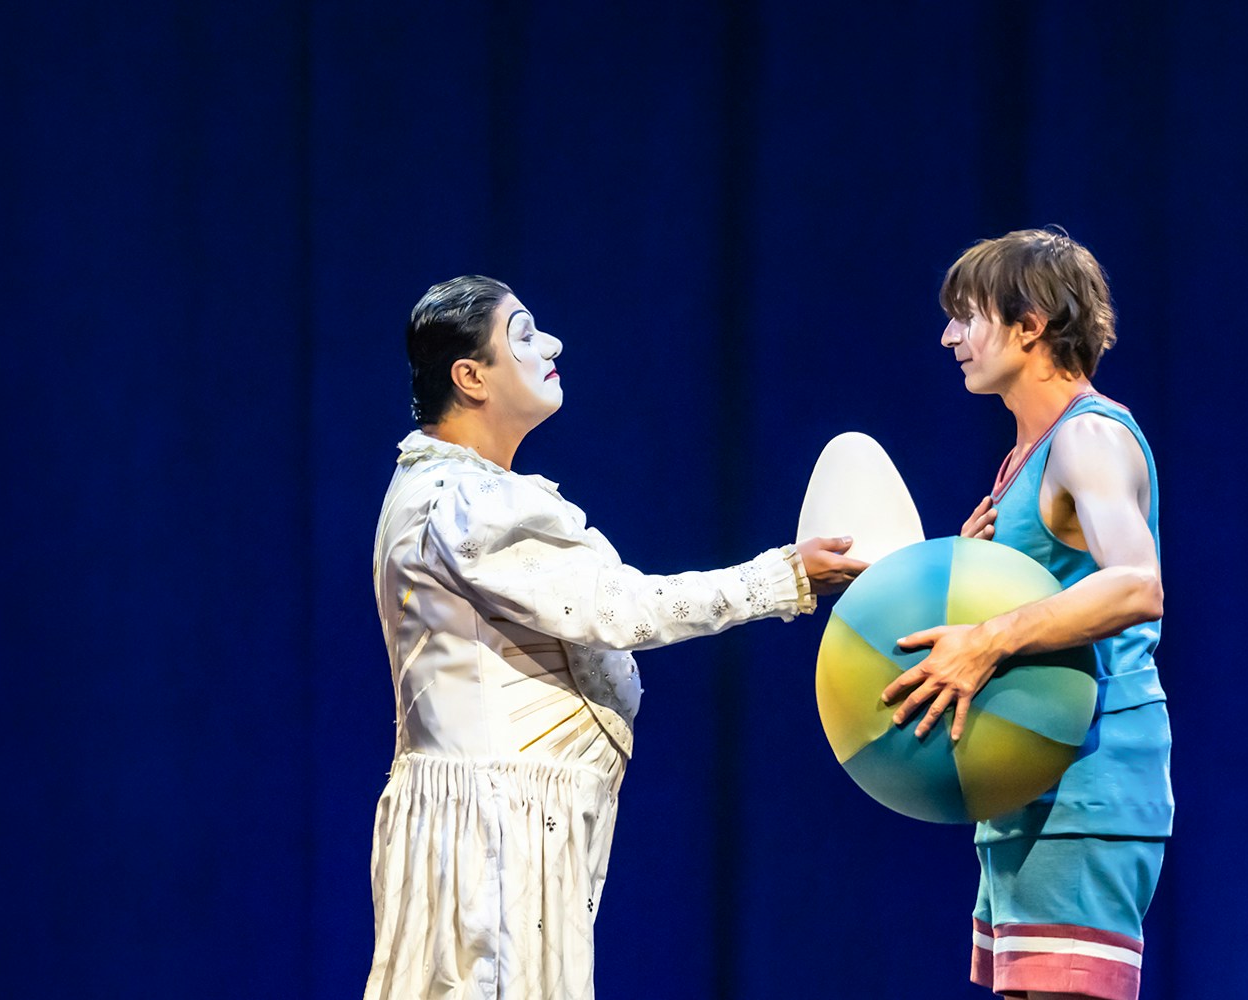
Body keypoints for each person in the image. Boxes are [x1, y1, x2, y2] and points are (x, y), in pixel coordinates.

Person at [366, 275, 866, 1000]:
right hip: (496, 831)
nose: (552, 344)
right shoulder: (465, 502)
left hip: (509, 818)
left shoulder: (448, 490)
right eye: (525, 333)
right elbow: (620, 606)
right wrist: (780, 578)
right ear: (470, 376)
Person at [881, 230, 1172, 1000]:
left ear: (1031, 321)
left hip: (1089, 778)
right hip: (1029, 780)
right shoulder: (1024, 459)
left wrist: (987, 638)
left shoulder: (1088, 437)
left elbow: (1137, 584)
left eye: (966, 317)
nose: (950, 337)